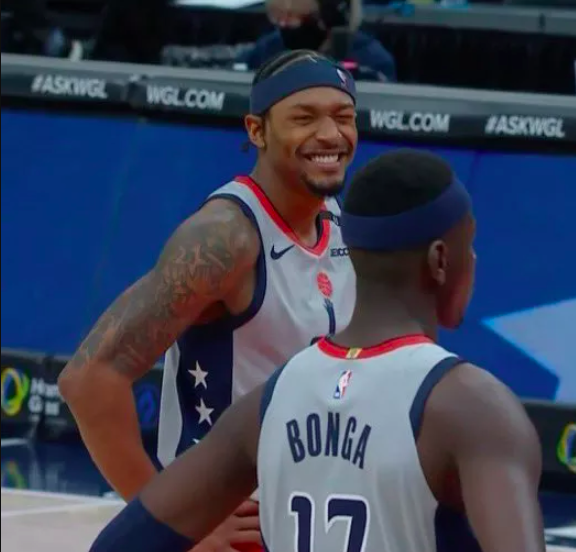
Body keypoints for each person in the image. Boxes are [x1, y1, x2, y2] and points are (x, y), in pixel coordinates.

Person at [88, 149, 545, 552]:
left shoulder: (269, 402)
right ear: (440, 260)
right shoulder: (472, 408)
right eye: (470, 245)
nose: (475, 260)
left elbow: (116, 545)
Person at [58, 49, 358, 551]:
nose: (330, 134)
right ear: (257, 130)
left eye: (343, 117)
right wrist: (175, 525)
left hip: (309, 520)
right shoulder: (225, 237)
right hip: (235, 525)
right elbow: (89, 380)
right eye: (304, 118)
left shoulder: (339, 219)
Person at [236, 0, 397, 81]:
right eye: (277, 15)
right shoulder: (268, 49)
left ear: (330, 16)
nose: (283, 24)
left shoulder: (371, 62)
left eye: (293, 16)